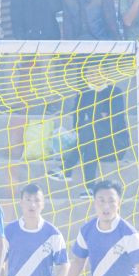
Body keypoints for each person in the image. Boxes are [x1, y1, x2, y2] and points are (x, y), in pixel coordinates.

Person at [54, 65, 131, 199]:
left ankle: (66, 168)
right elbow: (77, 123)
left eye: (99, 71)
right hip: (90, 144)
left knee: (90, 131)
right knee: (89, 137)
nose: (94, 75)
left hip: (114, 145)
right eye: (91, 72)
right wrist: (97, 120)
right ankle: (89, 188)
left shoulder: (115, 92)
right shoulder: (84, 93)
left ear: (106, 74)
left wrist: (93, 123)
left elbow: (115, 123)